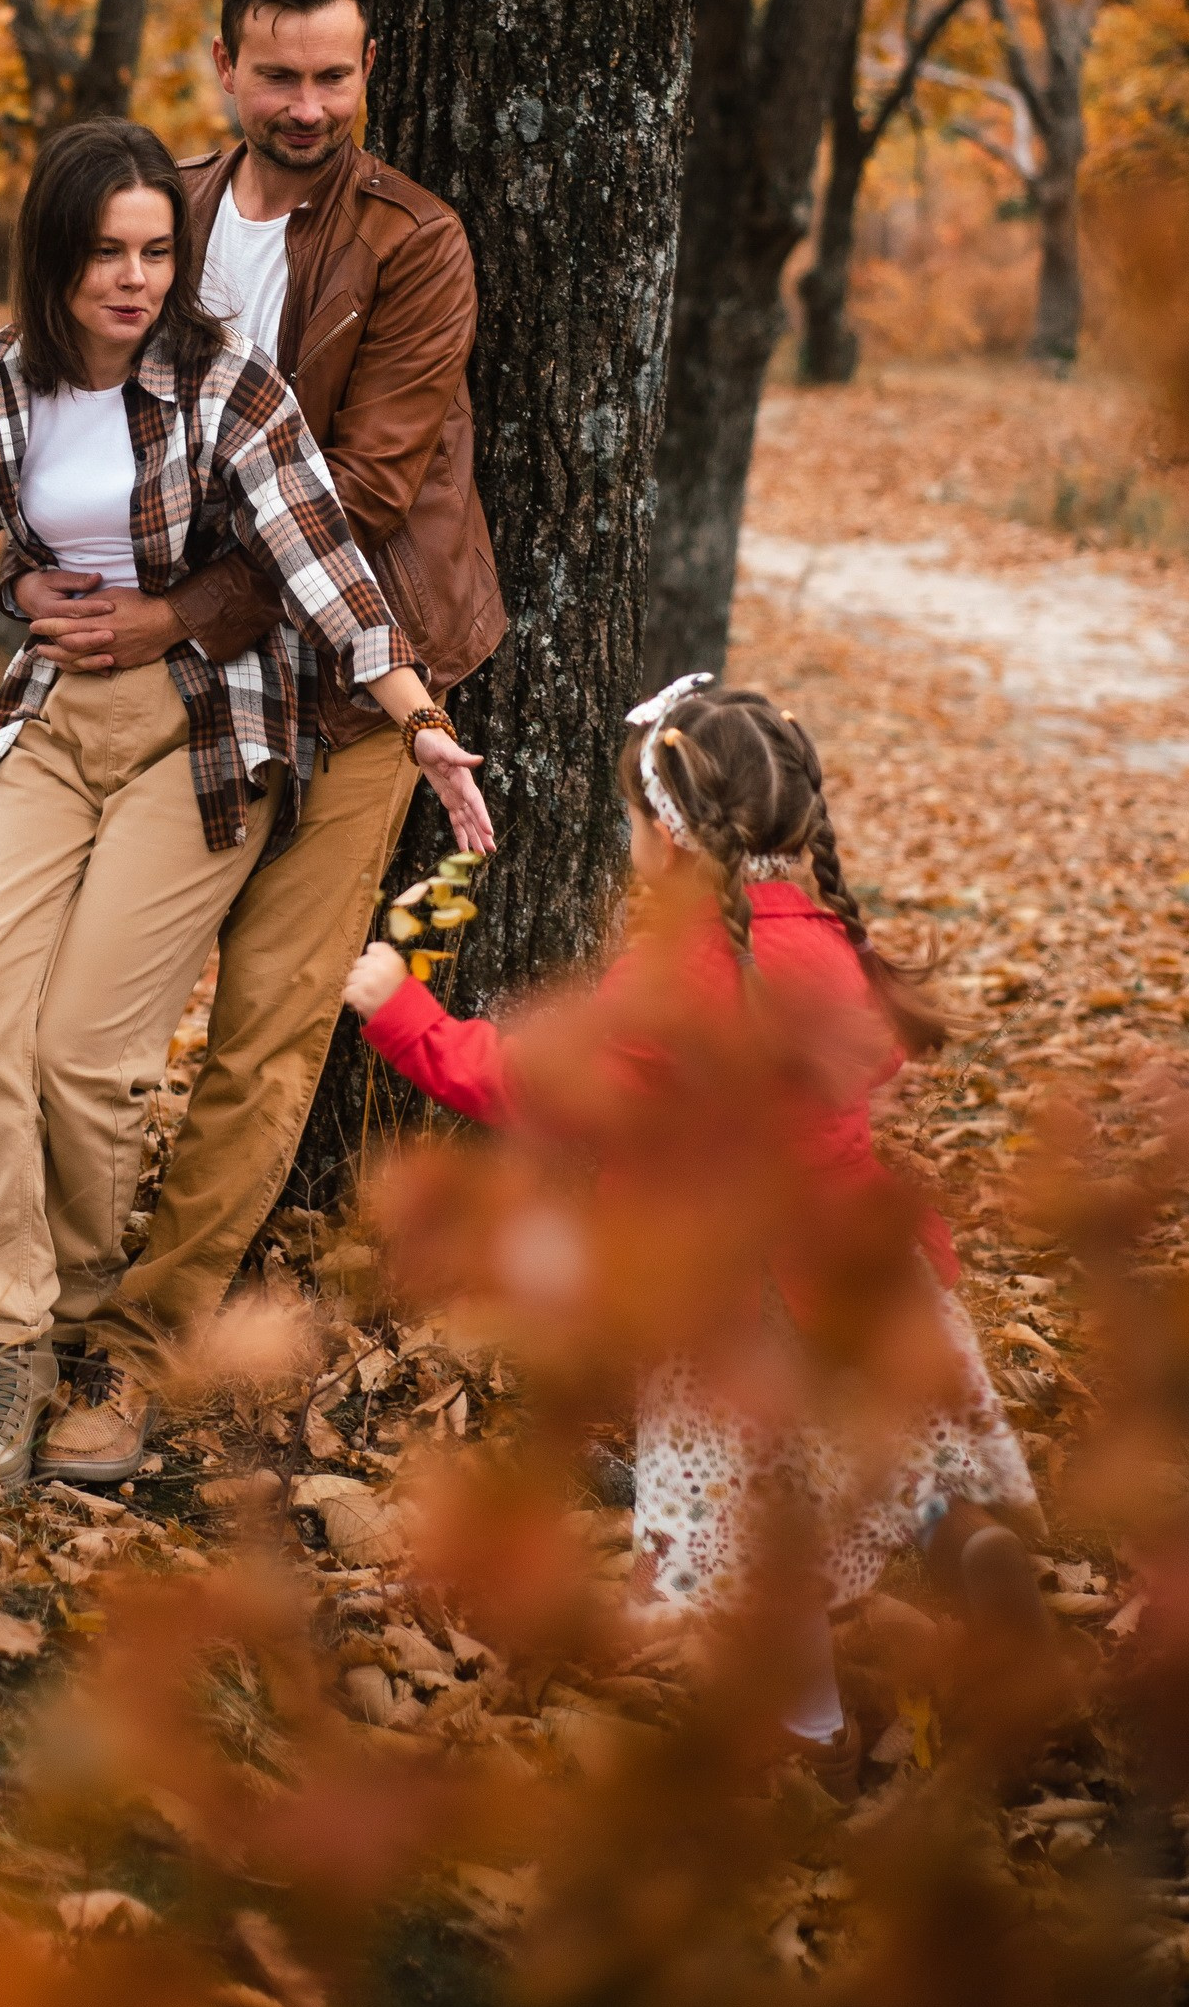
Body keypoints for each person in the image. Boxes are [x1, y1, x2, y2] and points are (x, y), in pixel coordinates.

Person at [0, 117, 492, 1489]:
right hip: (55, 728)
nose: (132, 278)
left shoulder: (231, 389)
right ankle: (9, 1340)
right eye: (106, 253)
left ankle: (69, 1319)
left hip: (205, 736)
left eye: (155, 252)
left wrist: (419, 722)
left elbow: (325, 571)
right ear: (54, 261)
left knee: (86, 1061)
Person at [344, 675, 1044, 1779]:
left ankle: (801, 1735)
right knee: (883, 1451)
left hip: (731, 1302)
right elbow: (884, 1053)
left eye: (632, 823)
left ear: (666, 842)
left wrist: (400, 1011)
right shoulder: (831, 946)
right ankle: (961, 1539)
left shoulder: (667, 980)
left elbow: (528, 1085)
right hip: (865, 1266)